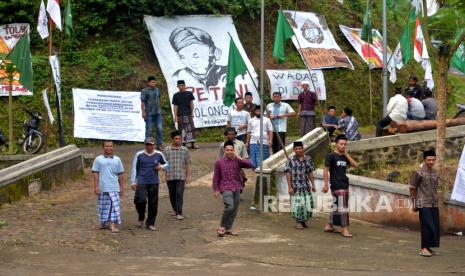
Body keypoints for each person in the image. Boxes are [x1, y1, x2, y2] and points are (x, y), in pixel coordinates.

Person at [212, 140, 254, 237]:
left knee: (234, 209)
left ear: (234, 150)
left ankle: (228, 228)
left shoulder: (237, 161)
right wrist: (216, 189)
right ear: (224, 150)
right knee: (229, 206)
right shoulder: (219, 162)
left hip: (237, 186)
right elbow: (216, 177)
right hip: (225, 187)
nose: (230, 152)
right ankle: (222, 226)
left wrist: (239, 158)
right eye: (228, 150)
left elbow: (250, 164)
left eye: (231, 150)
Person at [169, 27, 227, 93]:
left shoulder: (228, 72)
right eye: (183, 57)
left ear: (210, 51)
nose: (191, 63)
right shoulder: (179, 76)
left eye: (195, 56)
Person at [130, 137, 169, 230]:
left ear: (154, 145)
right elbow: (134, 168)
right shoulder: (139, 154)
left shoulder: (159, 154)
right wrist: (132, 182)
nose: (149, 146)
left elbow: (168, 164)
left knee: (153, 203)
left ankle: (150, 223)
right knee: (140, 200)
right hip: (142, 181)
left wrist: (161, 167)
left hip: (154, 181)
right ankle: (141, 216)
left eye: (151, 144)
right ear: (145, 145)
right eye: (147, 144)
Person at [323, 134, 358, 238]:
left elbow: (355, 165)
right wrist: (325, 185)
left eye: (345, 144)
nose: (343, 146)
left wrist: (346, 155)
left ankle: (329, 225)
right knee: (343, 207)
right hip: (336, 184)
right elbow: (326, 170)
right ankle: (345, 229)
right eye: (341, 144)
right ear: (336, 144)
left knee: (337, 206)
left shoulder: (344, 157)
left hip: (344, 183)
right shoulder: (331, 156)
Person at [409, 150, 440, 257]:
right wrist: (414, 203)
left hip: (434, 203)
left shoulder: (435, 172)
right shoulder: (418, 172)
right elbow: (412, 188)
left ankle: (428, 248)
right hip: (422, 203)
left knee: (434, 226)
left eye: (433, 159)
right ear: (424, 160)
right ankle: (423, 249)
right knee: (427, 226)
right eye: (429, 160)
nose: (431, 162)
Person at [92, 140, 125, 234]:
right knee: (103, 206)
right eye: (107, 146)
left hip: (114, 187)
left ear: (113, 147)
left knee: (114, 207)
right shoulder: (98, 159)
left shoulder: (117, 160)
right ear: (103, 147)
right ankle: (103, 222)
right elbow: (95, 173)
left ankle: (112, 225)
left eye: (110, 146)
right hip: (103, 187)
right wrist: (96, 186)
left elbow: (121, 174)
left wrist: (122, 187)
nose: (109, 148)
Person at [285, 141, 316, 230]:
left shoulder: (308, 159)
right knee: (297, 205)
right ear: (294, 150)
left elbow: (310, 172)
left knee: (307, 204)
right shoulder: (290, 160)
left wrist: (313, 184)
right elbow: (288, 174)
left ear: (303, 149)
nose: (298, 150)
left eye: (300, 148)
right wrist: (290, 187)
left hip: (306, 186)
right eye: (296, 149)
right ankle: (298, 222)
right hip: (295, 187)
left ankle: (303, 221)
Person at [164, 130, 192, 220]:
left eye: (180, 139)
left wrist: (187, 176)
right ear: (172, 139)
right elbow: (165, 164)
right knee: (172, 194)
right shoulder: (167, 150)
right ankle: (175, 209)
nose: (178, 140)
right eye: (176, 139)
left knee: (179, 193)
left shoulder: (185, 150)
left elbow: (187, 163)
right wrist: (164, 175)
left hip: (181, 176)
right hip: (170, 175)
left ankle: (179, 213)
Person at [172, 80, 198, 149]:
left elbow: (191, 103)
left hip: (188, 114)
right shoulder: (176, 95)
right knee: (182, 130)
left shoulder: (189, 94)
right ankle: (183, 145)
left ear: (185, 86)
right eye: (179, 86)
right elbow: (175, 106)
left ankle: (193, 144)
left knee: (191, 129)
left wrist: (192, 113)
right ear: (177, 86)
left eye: (182, 85)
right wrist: (175, 116)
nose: (181, 87)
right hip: (180, 115)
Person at [141, 76, 163, 150]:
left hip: (158, 113)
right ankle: (148, 145)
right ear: (148, 83)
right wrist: (143, 112)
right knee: (149, 130)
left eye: (154, 82)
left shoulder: (157, 90)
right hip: (149, 113)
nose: (154, 83)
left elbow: (158, 99)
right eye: (152, 82)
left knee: (159, 128)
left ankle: (159, 144)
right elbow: (143, 102)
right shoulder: (145, 91)